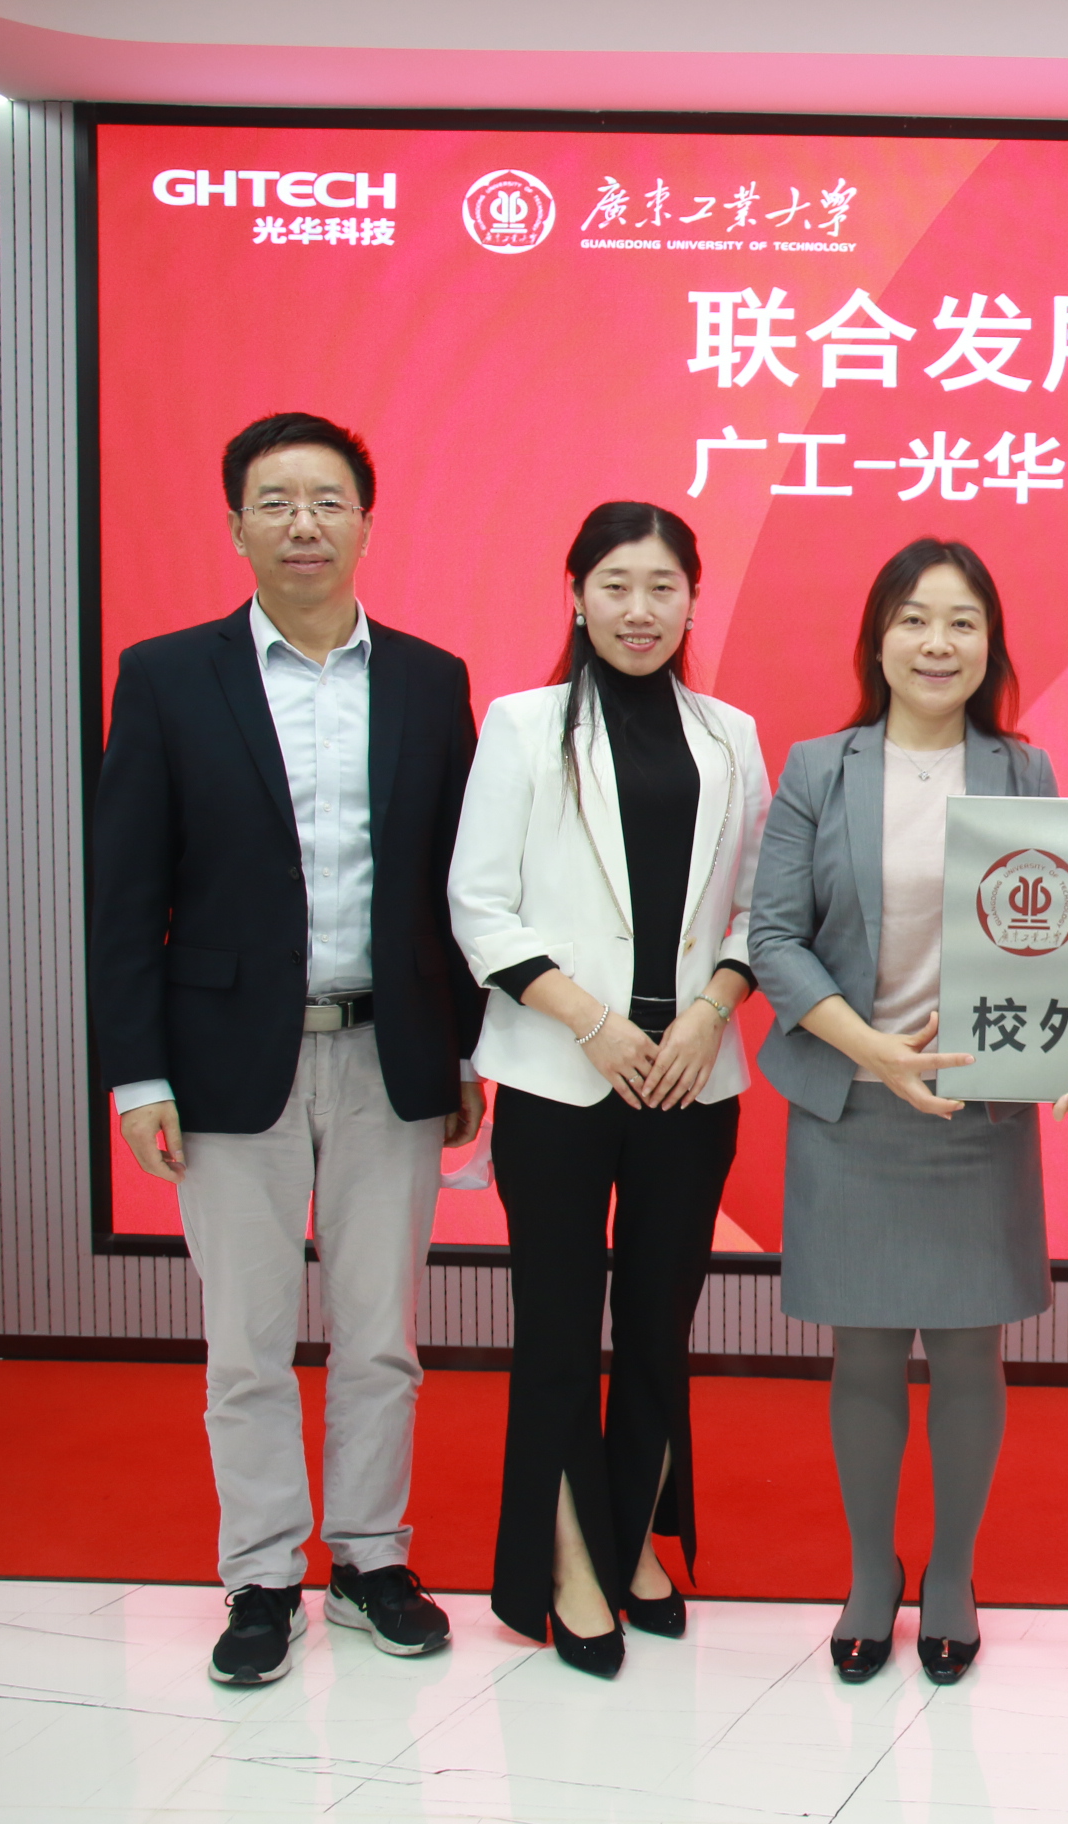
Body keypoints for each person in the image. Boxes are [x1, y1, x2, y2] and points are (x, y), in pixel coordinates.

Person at [91, 411, 485, 1685]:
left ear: (366, 523)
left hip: (390, 1053)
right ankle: (260, 1577)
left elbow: (454, 885)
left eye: (327, 501)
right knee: (247, 1340)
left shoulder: (429, 680)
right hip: (221, 1063)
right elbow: (125, 893)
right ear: (236, 528)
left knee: (380, 1336)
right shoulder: (167, 676)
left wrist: (464, 1051)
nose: (303, 523)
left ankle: (371, 1559)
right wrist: (137, 1071)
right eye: (276, 502)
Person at [749, 537, 1068, 1688]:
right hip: (853, 1109)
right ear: (877, 639)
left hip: (978, 1115)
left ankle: (952, 1576)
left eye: (962, 622)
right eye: (914, 619)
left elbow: (1065, 937)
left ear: (990, 645)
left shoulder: (1024, 771)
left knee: (969, 1354)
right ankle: (872, 1575)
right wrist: (867, 1048)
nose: (937, 643)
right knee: (862, 1354)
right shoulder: (820, 768)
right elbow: (773, 939)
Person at [447, 502, 770, 1678]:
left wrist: (710, 1012)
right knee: (555, 1325)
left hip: (691, 1076)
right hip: (559, 1075)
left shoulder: (732, 735)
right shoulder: (522, 725)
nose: (641, 611)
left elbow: (760, 905)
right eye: (617, 586)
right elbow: (479, 904)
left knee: (656, 1324)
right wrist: (589, 1022)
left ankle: (636, 1537)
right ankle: (569, 1558)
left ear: (693, 599)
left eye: (663, 588)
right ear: (576, 594)